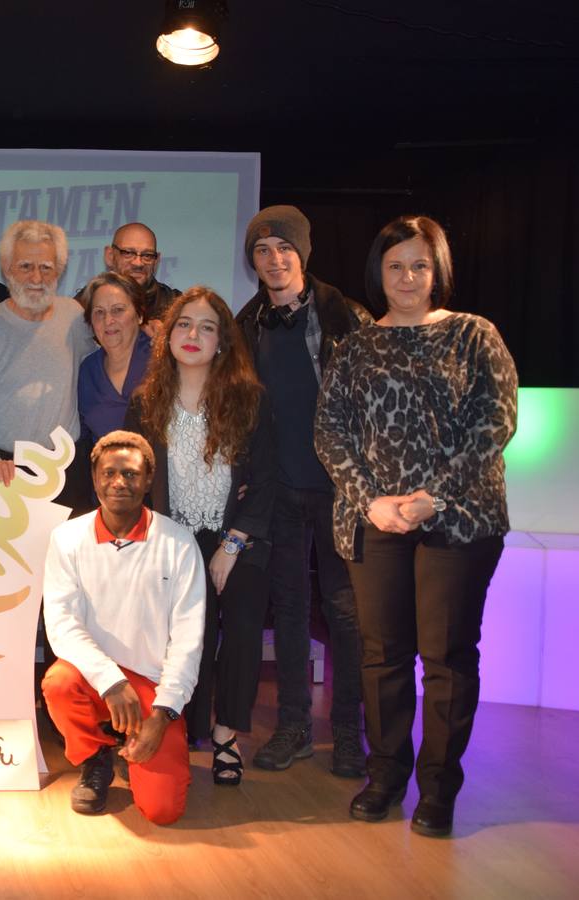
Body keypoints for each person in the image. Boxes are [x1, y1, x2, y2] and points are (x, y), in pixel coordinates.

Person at [315, 215, 517, 838]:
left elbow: (498, 417)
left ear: (438, 272)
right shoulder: (354, 347)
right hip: (375, 522)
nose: (407, 277)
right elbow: (329, 432)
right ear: (379, 270)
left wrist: (435, 495)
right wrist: (372, 500)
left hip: (458, 521)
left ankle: (439, 787)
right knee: (381, 655)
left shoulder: (472, 335)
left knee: (448, 657)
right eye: (396, 264)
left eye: (419, 265)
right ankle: (386, 776)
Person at [235, 205, 373, 778]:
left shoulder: (348, 318)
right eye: (262, 251)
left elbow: (373, 406)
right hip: (281, 490)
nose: (273, 259)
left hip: (341, 491)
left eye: (283, 249)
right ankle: (293, 725)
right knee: (288, 609)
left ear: (303, 253)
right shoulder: (248, 324)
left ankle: (346, 732)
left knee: (345, 612)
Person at [125, 287, 275, 785]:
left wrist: (232, 546)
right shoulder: (146, 404)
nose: (193, 335)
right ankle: (187, 729)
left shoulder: (248, 400)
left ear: (223, 342)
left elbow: (267, 481)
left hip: (238, 537)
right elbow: (134, 483)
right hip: (173, 539)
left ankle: (228, 733)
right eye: (184, 324)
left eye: (207, 327)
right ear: (168, 337)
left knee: (245, 621)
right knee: (195, 632)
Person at [42, 430, 206, 824]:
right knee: (58, 683)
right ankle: (96, 757)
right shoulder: (67, 538)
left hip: (153, 686)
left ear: (148, 480)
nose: (119, 482)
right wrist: (111, 681)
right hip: (97, 681)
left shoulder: (179, 542)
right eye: (109, 472)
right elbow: (62, 624)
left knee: (163, 812)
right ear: (95, 477)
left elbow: (189, 639)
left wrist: (164, 712)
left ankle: (134, 752)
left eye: (131, 475)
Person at [0, 220, 96, 509]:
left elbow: (102, 366)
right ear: (8, 268)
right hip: (4, 470)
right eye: (25, 266)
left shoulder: (74, 316)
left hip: (67, 471)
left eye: (46, 266)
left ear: (59, 270)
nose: (37, 276)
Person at [77, 272, 153, 443]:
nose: (108, 320)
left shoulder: (164, 362)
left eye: (118, 310)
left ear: (140, 315)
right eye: (99, 312)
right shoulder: (87, 372)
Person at [75, 222, 180, 335]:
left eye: (147, 255)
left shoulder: (175, 306)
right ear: (110, 256)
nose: (138, 263)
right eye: (128, 253)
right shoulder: (82, 306)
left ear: (156, 261)